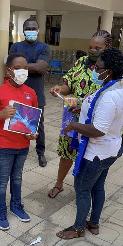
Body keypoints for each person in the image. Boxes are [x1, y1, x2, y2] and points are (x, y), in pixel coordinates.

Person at [56, 48, 123, 239]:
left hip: (96, 151)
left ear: (108, 71)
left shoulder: (110, 96)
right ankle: (93, 222)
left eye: (98, 67)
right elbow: (101, 108)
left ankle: (78, 228)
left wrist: (74, 126)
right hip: (109, 149)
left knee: (83, 188)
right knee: (98, 186)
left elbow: (98, 129)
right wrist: (83, 106)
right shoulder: (116, 86)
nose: (94, 69)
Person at [48, 30, 112, 198]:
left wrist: (83, 106)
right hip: (71, 115)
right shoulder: (81, 62)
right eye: (90, 46)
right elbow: (69, 84)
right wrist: (60, 89)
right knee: (67, 151)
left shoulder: (110, 69)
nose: (93, 50)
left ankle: (85, 191)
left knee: (88, 155)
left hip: (93, 120)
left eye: (98, 47)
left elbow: (110, 98)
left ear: (107, 47)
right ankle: (59, 183)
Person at [0, 53, 38, 231]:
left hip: (23, 145)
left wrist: (33, 134)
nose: (22, 71)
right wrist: (1, 115)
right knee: (2, 181)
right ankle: (1, 211)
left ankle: (16, 206)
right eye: (17, 68)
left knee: (17, 178)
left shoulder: (31, 93)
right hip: (4, 145)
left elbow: (32, 121)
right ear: (8, 70)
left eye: (25, 68)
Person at [9, 18, 50, 167]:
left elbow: (40, 68)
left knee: (38, 124)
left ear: (38, 30)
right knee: (16, 120)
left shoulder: (44, 47)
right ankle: (17, 150)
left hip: (36, 92)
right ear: (23, 30)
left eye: (34, 28)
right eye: (28, 28)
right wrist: (35, 66)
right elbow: (10, 66)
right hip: (17, 91)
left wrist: (20, 66)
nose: (31, 31)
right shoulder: (16, 46)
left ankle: (41, 153)